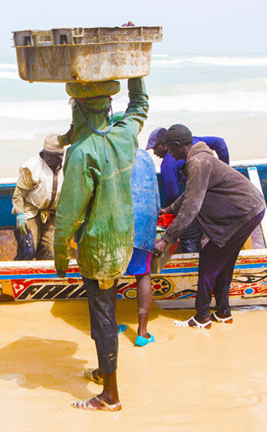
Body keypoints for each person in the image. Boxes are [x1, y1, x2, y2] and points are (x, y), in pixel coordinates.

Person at [54, 77, 148, 411]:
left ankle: (110, 396)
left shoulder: (82, 152)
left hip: (98, 250)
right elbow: (139, 106)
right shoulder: (124, 135)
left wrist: (60, 260)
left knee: (103, 317)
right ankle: (101, 371)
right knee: (104, 311)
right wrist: (135, 73)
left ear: (79, 110)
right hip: (123, 241)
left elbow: (67, 216)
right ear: (108, 107)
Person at [154, 124, 266, 329]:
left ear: (177, 145)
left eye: (170, 148)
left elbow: (191, 207)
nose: (169, 153)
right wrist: (168, 209)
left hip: (243, 213)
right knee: (225, 262)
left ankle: (202, 318)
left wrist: (166, 239)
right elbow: (190, 193)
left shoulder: (198, 162)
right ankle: (223, 312)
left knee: (209, 259)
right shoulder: (199, 158)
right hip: (251, 209)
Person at [114, 113, 161, 347]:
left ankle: (110, 325)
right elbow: (156, 197)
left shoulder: (109, 156)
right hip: (143, 224)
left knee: (110, 275)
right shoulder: (145, 157)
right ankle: (142, 332)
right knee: (143, 274)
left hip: (115, 225)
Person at [146, 128, 230, 252]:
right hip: (214, 194)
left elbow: (173, 194)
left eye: (155, 148)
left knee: (188, 235)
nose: (155, 153)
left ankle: (191, 257)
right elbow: (220, 142)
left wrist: (167, 213)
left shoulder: (168, 163)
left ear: (164, 144)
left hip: (201, 200)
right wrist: (223, 168)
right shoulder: (193, 141)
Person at [12, 134, 65, 260]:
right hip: (29, 210)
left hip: (52, 212)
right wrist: (21, 215)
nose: (48, 157)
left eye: (52, 155)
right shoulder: (32, 168)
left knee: (51, 250)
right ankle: (20, 270)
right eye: (46, 153)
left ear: (59, 156)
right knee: (29, 249)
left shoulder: (67, 167)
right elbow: (18, 195)